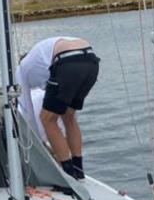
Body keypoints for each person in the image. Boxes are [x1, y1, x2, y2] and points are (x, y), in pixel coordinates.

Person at [15, 36, 99, 179]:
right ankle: (78, 170)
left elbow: (27, 112)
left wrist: (39, 145)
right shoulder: (42, 58)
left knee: (47, 119)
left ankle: (67, 175)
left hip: (67, 61)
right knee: (69, 116)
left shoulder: (21, 70)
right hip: (91, 59)